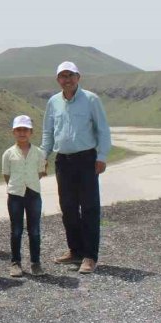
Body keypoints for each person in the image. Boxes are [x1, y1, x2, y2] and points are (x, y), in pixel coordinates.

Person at [42, 61, 111, 274]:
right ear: (58, 80)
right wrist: (43, 156)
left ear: (78, 77)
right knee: (68, 208)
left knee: (89, 208)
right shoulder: (53, 102)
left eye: (71, 75)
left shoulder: (91, 99)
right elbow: (48, 132)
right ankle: (75, 251)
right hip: (63, 161)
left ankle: (90, 256)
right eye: (63, 76)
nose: (67, 79)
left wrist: (101, 156)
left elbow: (103, 129)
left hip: (86, 159)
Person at [1, 115, 47, 277]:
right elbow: (6, 175)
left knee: (34, 230)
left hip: (33, 193)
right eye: (18, 130)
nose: (22, 133)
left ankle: (35, 263)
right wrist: (18, 185)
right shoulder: (8, 154)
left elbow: (40, 172)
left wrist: (29, 183)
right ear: (13, 132)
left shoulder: (39, 153)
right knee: (16, 230)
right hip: (15, 195)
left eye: (25, 130)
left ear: (31, 132)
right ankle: (15, 262)